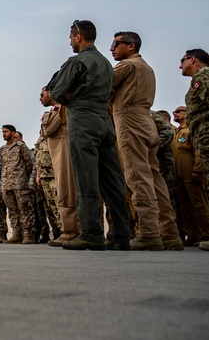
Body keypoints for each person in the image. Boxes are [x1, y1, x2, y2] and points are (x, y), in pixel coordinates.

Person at [47, 20, 132, 251]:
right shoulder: (106, 63)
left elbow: (56, 92)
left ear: (77, 37)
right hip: (105, 121)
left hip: (83, 122)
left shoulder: (77, 62)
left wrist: (66, 96)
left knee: (87, 178)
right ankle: (122, 234)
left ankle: (92, 233)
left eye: (70, 37)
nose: (70, 42)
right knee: (113, 181)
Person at [107, 31, 183, 250]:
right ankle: (169, 234)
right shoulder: (146, 68)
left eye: (116, 44)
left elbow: (101, 86)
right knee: (155, 179)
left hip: (129, 120)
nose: (112, 48)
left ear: (131, 46)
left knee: (137, 177)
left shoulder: (126, 66)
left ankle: (149, 233)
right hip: (145, 121)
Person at [180, 49, 209, 251]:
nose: (180, 65)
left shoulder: (203, 75)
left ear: (193, 59)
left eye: (183, 60)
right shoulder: (207, 76)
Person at [40, 87, 80, 246]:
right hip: (57, 155)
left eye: (42, 94)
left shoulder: (62, 107)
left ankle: (71, 233)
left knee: (67, 191)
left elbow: (48, 130)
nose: (40, 98)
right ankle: (67, 231)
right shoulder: (57, 109)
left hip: (64, 152)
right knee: (63, 192)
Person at [171, 105, 209, 245]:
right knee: (185, 207)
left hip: (191, 172)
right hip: (178, 175)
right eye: (174, 111)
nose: (175, 113)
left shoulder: (191, 130)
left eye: (178, 111)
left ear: (187, 112)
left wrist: (197, 169)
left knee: (199, 203)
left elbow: (198, 151)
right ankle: (193, 234)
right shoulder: (175, 133)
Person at [0, 125, 35, 244]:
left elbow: (29, 164)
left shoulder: (21, 146)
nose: (4, 134)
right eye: (3, 132)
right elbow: (3, 167)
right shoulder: (3, 149)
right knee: (12, 210)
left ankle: (28, 235)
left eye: (6, 131)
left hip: (20, 182)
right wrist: (2, 185)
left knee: (24, 209)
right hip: (6, 184)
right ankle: (16, 234)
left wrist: (24, 178)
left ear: (13, 133)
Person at [32, 130, 61, 243]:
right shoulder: (40, 141)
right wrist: (38, 175)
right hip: (43, 176)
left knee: (59, 203)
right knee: (50, 206)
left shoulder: (55, 137)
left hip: (54, 175)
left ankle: (64, 231)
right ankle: (57, 231)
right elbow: (38, 160)